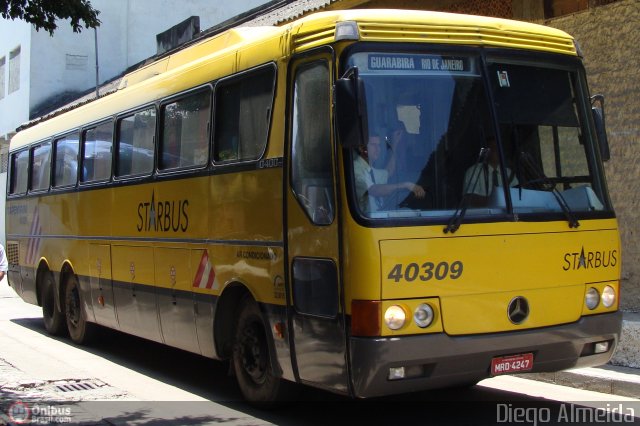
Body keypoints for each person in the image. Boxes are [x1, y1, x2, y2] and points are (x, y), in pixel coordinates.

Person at [353, 132, 426, 214]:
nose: (378, 149)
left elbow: (389, 171)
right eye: (373, 145)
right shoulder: (356, 169)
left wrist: (394, 145)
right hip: (368, 221)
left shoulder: (370, 170)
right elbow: (373, 190)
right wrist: (406, 185)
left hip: (378, 216)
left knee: (412, 213)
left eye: (379, 145)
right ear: (361, 148)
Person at [463, 135, 518, 206]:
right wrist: (497, 200)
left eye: (500, 149)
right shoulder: (474, 171)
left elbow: (518, 197)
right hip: (483, 216)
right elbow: (469, 199)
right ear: (486, 152)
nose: (498, 152)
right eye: (494, 148)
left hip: (507, 215)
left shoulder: (509, 173)